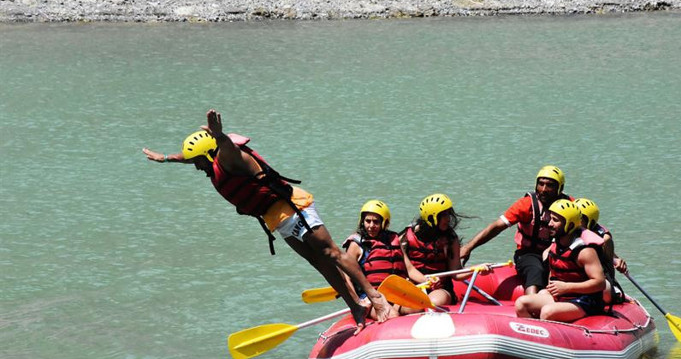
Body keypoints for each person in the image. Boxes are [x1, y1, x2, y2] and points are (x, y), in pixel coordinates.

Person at [142, 109, 392, 332]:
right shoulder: (210, 162)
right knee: (319, 262)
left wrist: (218, 134)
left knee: (332, 253)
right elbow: (189, 156)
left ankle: (375, 297)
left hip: (294, 207)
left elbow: (225, 146)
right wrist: (166, 158)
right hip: (278, 219)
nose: (196, 167)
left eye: (198, 161)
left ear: (209, 153)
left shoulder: (229, 157)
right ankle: (356, 307)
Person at [460, 165, 571, 295]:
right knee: (536, 270)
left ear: (560, 188)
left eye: (550, 185)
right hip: (529, 253)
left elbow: (589, 232)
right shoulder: (527, 204)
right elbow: (497, 226)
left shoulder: (570, 205)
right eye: (541, 184)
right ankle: (532, 304)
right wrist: (468, 247)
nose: (544, 189)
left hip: (559, 252)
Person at [514, 199, 606, 322]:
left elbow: (600, 283)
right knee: (521, 303)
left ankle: (546, 336)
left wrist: (567, 287)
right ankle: (534, 336)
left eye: (555, 220)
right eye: (550, 219)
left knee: (548, 312)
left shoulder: (585, 251)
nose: (549, 224)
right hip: (563, 297)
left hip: (586, 301)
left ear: (570, 225)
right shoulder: (555, 246)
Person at [342, 200, 405, 319]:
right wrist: (357, 303)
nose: (371, 226)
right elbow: (346, 278)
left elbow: (409, 269)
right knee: (393, 316)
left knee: (416, 308)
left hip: (394, 295)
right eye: (367, 221)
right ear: (362, 222)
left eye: (376, 222)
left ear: (384, 223)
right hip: (370, 298)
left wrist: (428, 281)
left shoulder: (394, 239)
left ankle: (395, 309)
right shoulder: (356, 245)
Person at [400, 194, 463, 311]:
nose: (448, 218)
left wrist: (478, 270)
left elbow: (456, 273)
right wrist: (427, 281)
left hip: (440, 289)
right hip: (414, 287)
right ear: (431, 217)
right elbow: (409, 269)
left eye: (449, 214)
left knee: (433, 303)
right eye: (443, 215)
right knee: (410, 307)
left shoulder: (450, 239)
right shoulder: (405, 237)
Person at [573, 198, 627, 274]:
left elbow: (608, 267)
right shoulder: (563, 231)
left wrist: (616, 259)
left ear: (590, 223)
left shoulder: (604, 239)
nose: (574, 221)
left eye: (579, 219)